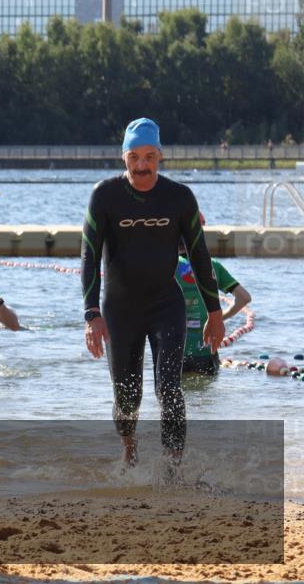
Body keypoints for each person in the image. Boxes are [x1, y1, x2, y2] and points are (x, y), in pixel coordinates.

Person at [81, 117, 224, 467]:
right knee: (127, 397)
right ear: (123, 158)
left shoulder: (179, 198)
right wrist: (91, 315)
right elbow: (88, 255)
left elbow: (199, 255)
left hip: (165, 304)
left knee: (169, 388)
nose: (141, 166)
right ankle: (129, 450)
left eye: (149, 156)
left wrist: (215, 313)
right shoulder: (105, 195)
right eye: (134, 157)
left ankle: (172, 467)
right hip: (119, 308)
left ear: (160, 156)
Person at [176, 214, 252, 375]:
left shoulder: (167, 267)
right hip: (206, 353)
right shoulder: (212, 265)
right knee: (207, 398)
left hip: (176, 353)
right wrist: (218, 319)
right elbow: (244, 298)